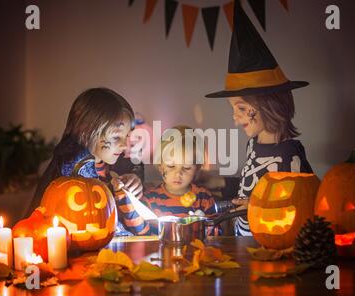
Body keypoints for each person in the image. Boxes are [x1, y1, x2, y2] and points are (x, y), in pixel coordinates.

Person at [203, 1, 313, 236]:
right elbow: (251, 185)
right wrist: (221, 184)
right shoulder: (254, 143)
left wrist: (255, 206)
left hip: (270, 241)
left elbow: (298, 206)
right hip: (244, 239)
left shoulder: (288, 156)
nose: (235, 119)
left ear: (267, 105)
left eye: (241, 109)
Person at [26, 87, 144, 235]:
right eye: (116, 137)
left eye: (127, 136)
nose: (124, 145)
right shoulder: (73, 162)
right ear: (86, 131)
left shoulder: (109, 161)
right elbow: (100, 220)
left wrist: (132, 180)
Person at [113, 125, 221, 236]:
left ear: (197, 168)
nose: (178, 173)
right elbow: (141, 231)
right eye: (171, 166)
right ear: (161, 166)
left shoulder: (204, 198)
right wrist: (123, 197)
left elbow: (216, 234)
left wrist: (200, 225)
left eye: (187, 167)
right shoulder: (151, 198)